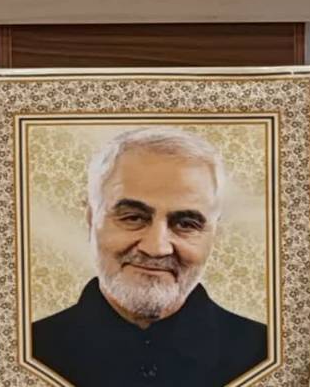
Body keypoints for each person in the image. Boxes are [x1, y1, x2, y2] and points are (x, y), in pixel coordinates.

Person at [31, 128, 268, 386]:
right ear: (91, 220)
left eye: (186, 224)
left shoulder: (265, 356)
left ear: (215, 234)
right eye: (133, 218)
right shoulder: (28, 352)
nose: (156, 248)